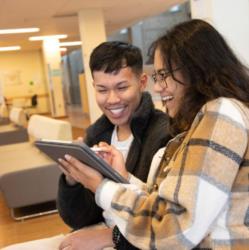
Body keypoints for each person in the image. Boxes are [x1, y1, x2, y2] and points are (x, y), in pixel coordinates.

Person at [59, 19, 249, 249]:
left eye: (163, 75)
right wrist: (122, 177)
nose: (158, 88)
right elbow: (167, 205)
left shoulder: (220, 113)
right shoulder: (201, 124)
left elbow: (175, 227)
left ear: (195, 70)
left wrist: (101, 187)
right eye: (102, 89)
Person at [57, 41, 171, 249]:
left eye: (122, 87)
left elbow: (167, 223)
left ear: (142, 82)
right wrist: (72, 179)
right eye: (102, 90)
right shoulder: (96, 135)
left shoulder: (165, 135)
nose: (112, 99)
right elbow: (79, 219)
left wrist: (110, 236)